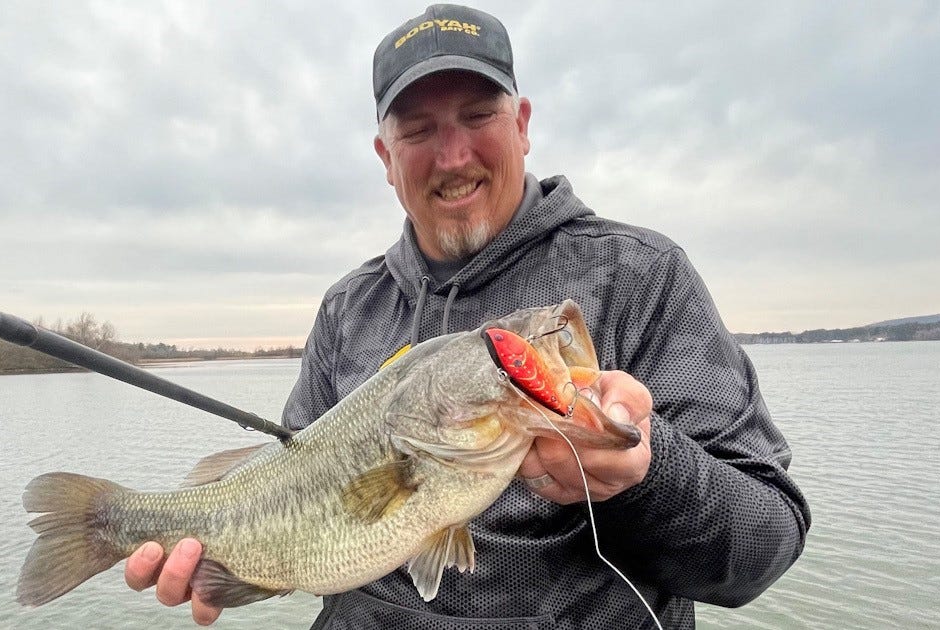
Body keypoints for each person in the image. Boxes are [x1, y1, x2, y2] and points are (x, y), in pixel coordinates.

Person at [125, 4, 811, 628]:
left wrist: (651, 474)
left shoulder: (642, 276)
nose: (452, 155)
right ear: (385, 159)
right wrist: (234, 566)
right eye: (419, 130)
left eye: (479, 116)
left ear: (522, 125)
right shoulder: (346, 308)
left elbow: (765, 544)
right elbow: (303, 505)